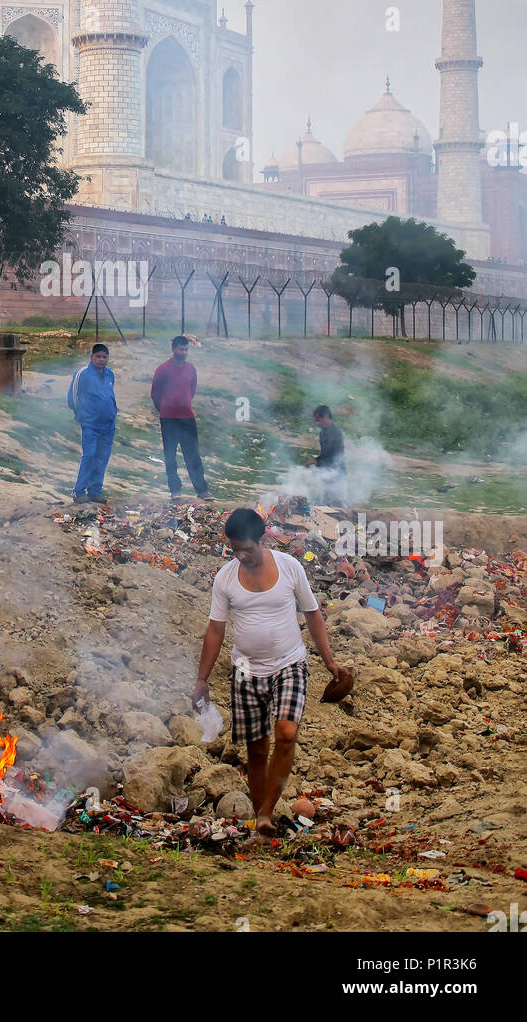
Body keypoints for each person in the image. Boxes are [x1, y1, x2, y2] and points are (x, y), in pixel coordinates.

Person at [193, 507, 347, 838]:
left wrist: (329, 661)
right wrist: (202, 680)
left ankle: (264, 810)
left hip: (289, 663)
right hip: (246, 669)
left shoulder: (290, 568)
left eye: (246, 548)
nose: (241, 555)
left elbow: (313, 615)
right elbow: (215, 630)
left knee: (287, 733)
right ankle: (262, 818)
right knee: (257, 748)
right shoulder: (226, 578)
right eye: (235, 549)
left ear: (262, 540)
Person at [151, 335, 213, 502]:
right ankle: (175, 491)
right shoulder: (163, 369)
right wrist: (164, 408)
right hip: (169, 419)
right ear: (173, 349)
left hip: (187, 418)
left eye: (186, 349)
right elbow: (155, 393)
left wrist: (183, 404)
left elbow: (192, 390)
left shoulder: (191, 369)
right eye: (181, 349)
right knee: (170, 456)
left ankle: (202, 490)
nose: (184, 352)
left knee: (193, 454)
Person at [67, 343, 118, 503]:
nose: (101, 360)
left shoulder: (110, 374)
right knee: (89, 455)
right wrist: (81, 414)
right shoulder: (83, 374)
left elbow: (109, 395)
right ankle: (79, 492)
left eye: (104, 357)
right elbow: (73, 397)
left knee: (102, 458)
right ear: (92, 357)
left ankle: (95, 491)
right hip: (90, 424)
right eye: (98, 356)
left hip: (108, 425)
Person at [307, 404, 347, 505]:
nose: (316, 423)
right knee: (326, 503)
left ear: (326, 418)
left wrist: (317, 462)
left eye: (318, 420)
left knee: (337, 505)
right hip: (328, 472)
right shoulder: (323, 433)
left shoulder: (335, 433)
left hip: (337, 473)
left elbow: (335, 458)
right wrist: (315, 461)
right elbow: (325, 455)